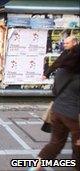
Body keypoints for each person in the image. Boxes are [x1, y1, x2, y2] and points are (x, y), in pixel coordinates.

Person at [30, 43, 80, 171]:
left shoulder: (61, 71)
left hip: (57, 111)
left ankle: (34, 167)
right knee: (78, 144)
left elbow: (55, 91)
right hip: (74, 117)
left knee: (55, 143)